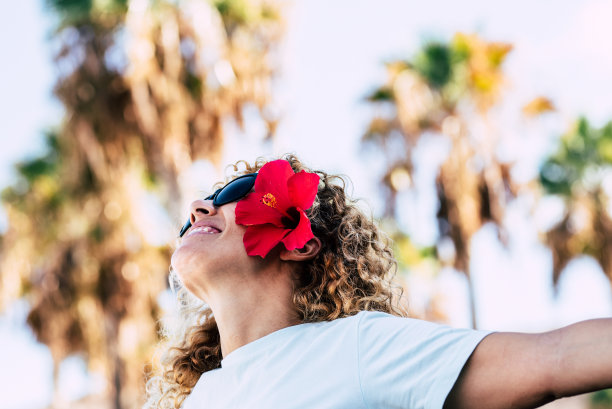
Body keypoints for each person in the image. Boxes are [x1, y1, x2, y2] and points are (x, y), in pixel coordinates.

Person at [144, 154, 612, 409]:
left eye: (231, 195)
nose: (197, 211)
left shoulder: (357, 349)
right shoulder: (201, 398)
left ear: (298, 241)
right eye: (192, 216)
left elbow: (555, 358)